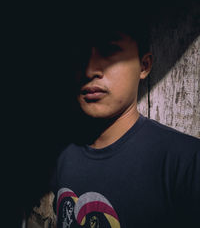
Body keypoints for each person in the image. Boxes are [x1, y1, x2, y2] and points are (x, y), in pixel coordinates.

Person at [50, 18, 200, 228]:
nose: (90, 69)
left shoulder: (186, 163)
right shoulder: (61, 154)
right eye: (79, 53)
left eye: (110, 50)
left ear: (144, 65)